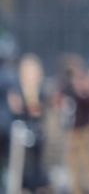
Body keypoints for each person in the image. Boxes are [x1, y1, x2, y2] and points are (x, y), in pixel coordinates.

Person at [7, 53, 50, 193]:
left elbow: (37, 111)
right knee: (23, 169)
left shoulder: (39, 90)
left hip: (36, 134)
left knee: (37, 168)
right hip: (21, 135)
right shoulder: (16, 89)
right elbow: (16, 109)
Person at [57, 54, 89, 194]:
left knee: (88, 162)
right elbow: (59, 103)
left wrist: (80, 86)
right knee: (72, 164)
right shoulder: (64, 85)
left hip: (84, 128)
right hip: (71, 129)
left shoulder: (84, 82)